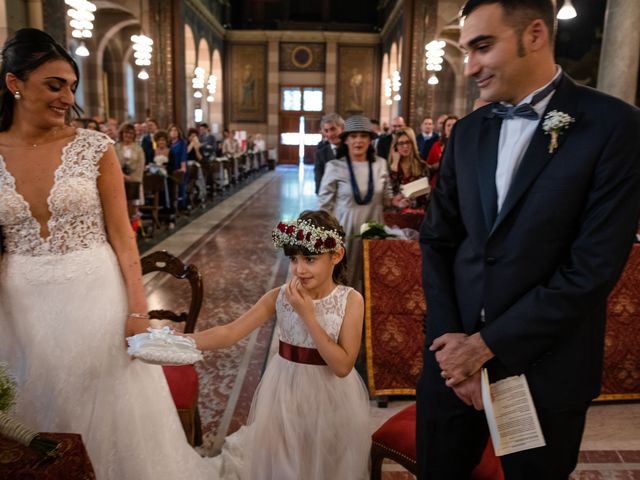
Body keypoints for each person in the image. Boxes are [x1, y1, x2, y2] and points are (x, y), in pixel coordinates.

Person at [416, 2, 640, 480]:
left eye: (482, 46)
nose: (470, 65)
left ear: (535, 34)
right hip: (451, 370)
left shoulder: (614, 126)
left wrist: (488, 345)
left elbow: (592, 268)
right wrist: (454, 346)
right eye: (465, 50)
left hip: (544, 370)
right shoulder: (469, 131)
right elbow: (438, 240)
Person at [0, 28, 214, 479]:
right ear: (13, 83)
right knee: (36, 403)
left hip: (93, 293)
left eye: (71, 86)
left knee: (104, 401)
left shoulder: (93, 148)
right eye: (54, 84)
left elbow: (122, 237)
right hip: (18, 302)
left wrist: (139, 310)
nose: (66, 97)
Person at [191, 210, 371, 480]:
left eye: (310, 259)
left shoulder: (350, 300)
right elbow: (230, 332)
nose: (299, 269)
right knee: (285, 463)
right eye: (294, 259)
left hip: (331, 397)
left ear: (336, 256)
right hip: (284, 391)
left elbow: (343, 366)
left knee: (324, 462)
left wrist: (308, 315)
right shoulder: (279, 297)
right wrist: (179, 340)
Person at [318, 115, 407, 292]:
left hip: (374, 231)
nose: (358, 140)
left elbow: (386, 199)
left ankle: (367, 320)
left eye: (363, 136)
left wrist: (396, 201)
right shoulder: (334, 166)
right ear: (346, 140)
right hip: (345, 234)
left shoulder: (380, 164)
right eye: (353, 136)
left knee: (373, 282)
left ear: (370, 139)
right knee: (344, 282)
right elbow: (324, 207)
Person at [388, 126, 429, 209]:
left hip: (417, 213)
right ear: (395, 147)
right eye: (401, 143)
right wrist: (395, 165)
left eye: (408, 142)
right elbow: (390, 193)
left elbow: (425, 197)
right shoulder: (389, 167)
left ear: (413, 143)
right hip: (395, 214)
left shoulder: (422, 166)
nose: (405, 146)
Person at [114, 122, 145, 223]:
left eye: (131, 133)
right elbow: (112, 163)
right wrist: (121, 175)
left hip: (133, 181)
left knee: (132, 208)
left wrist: (131, 177)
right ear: (122, 133)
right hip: (118, 180)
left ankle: (133, 227)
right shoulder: (116, 147)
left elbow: (141, 166)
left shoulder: (138, 149)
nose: (128, 135)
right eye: (126, 133)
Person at [313, 113, 344, 194]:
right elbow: (318, 180)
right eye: (326, 131)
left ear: (342, 129)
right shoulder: (320, 154)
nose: (330, 134)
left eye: (333, 129)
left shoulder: (351, 150)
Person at [425, 115, 458, 187]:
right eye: (448, 125)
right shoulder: (437, 145)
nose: (451, 127)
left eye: (454, 125)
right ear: (444, 129)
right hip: (439, 183)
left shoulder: (463, 145)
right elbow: (428, 166)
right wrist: (437, 165)